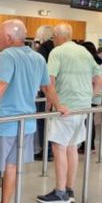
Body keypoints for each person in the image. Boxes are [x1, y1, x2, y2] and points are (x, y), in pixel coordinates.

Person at [0, 19, 67, 203]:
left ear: (8, 37)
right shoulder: (37, 58)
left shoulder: (7, 55)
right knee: (11, 167)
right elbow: (48, 88)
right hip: (26, 124)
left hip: (2, 123)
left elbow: (1, 83)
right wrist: (59, 106)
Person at [36, 24, 102, 203]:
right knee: (72, 148)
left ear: (57, 36)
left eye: (53, 37)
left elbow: (49, 82)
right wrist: (89, 97)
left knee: (59, 149)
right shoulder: (84, 52)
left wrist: (56, 104)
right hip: (82, 109)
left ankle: (59, 193)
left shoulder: (57, 53)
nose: (53, 40)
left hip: (64, 108)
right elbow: (100, 79)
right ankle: (69, 189)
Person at [79, 41, 102, 154]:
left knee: (87, 121)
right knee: (89, 121)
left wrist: (90, 96)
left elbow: (97, 80)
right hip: (94, 95)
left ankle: (88, 146)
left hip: (91, 96)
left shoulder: (91, 63)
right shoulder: (97, 62)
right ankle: (88, 145)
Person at [34, 25, 55, 161]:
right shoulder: (57, 48)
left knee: (43, 120)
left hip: (46, 90)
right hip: (57, 91)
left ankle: (45, 151)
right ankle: (51, 149)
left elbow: (40, 71)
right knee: (52, 121)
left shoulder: (42, 49)